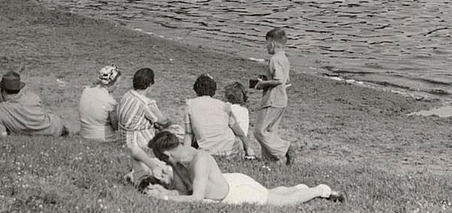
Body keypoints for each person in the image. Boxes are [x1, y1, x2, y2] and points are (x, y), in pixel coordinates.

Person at [141, 131, 344, 206]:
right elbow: (185, 192)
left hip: (236, 191)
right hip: (229, 183)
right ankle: (300, 188)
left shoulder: (199, 160)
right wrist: (164, 191)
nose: (161, 162)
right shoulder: (176, 163)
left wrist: (164, 198)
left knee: (281, 202)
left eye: (160, 158)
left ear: (166, 154)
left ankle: (321, 190)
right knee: (271, 193)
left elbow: (196, 198)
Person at [119, 67, 173, 182]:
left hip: (123, 138)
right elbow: (163, 121)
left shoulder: (127, 95)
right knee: (174, 131)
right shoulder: (146, 103)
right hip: (139, 141)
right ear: (150, 84)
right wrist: (171, 122)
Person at [183, 74, 254, 158]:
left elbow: (189, 134)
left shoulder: (190, 105)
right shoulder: (224, 106)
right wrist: (249, 149)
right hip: (231, 150)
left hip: (207, 150)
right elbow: (240, 133)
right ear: (214, 90)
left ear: (196, 89)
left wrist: (184, 153)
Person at [253, 27, 296, 165]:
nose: (266, 47)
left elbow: (279, 80)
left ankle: (285, 148)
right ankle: (270, 159)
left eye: (267, 44)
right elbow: (286, 80)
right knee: (271, 130)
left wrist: (262, 84)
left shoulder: (274, 59)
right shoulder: (284, 58)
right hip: (282, 99)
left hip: (273, 99)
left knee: (259, 131)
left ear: (272, 43)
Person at [0, 70, 68, 137]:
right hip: (55, 128)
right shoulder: (32, 97)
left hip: (46, 132)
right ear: (19, 88)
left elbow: (1, 135)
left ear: (3, 91)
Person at [78, 65, 120, 141]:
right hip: (104, 138)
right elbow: (116, 126)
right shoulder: (110, 102)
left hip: (84, 134)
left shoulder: (86, 91)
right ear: (110, 83)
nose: (118, 86)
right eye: (117, 84)